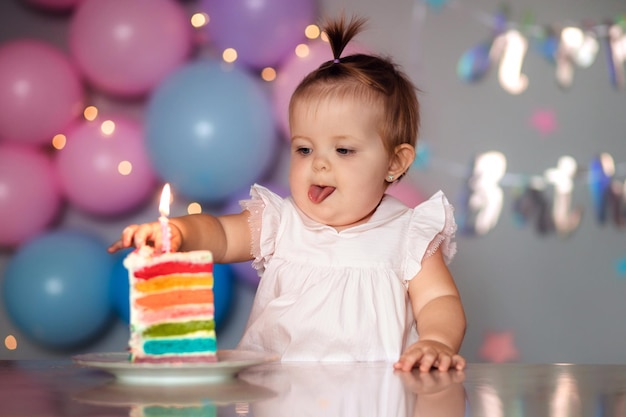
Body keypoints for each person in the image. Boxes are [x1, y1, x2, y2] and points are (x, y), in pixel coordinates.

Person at [108, 15, 466, 372]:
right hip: (277, 395)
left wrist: (435, 340)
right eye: (304, 150)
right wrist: (180, 232)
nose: (319, 165)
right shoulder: (281, 222)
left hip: (372, 398)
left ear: (394, 162)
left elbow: (439, 299)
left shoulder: (407, 235)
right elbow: (219, 234)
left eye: (343, 150)